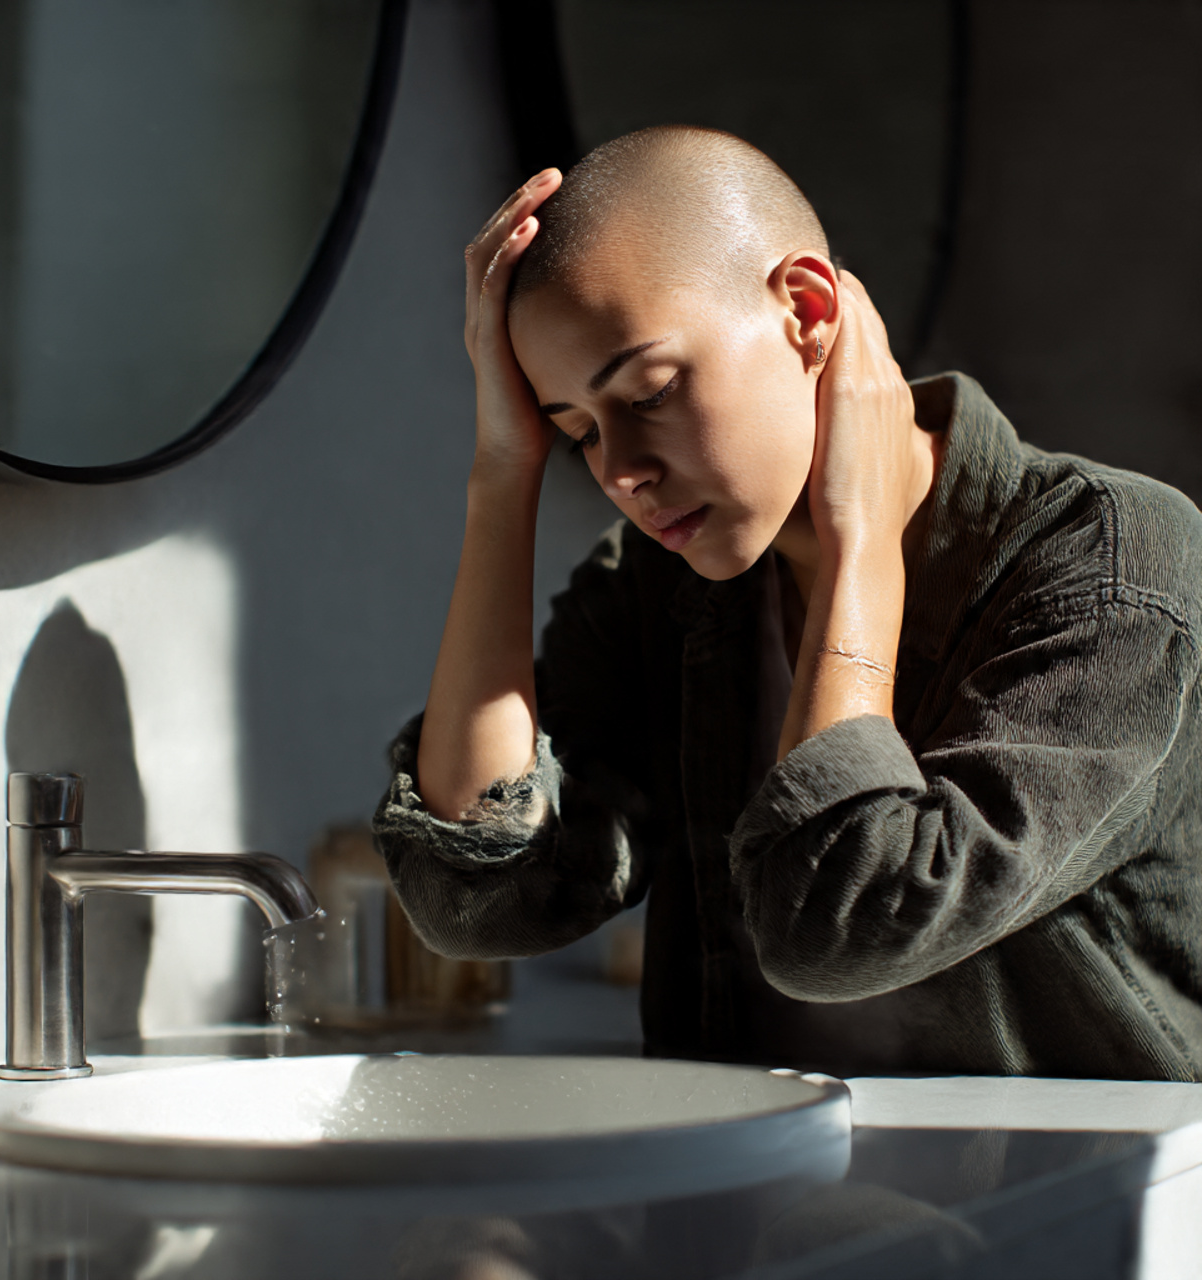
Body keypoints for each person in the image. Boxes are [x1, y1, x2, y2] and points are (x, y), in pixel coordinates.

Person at [373, 126, 1202, 1081]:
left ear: (807, 313)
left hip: (1052, 1208)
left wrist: (862, 552)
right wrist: (500, 475)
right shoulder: (652, 586)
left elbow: (844, 926)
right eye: (576, 433)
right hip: (761, 1204)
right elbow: (481, 900)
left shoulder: (1112, 563)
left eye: (648, 392)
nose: (623, 474)